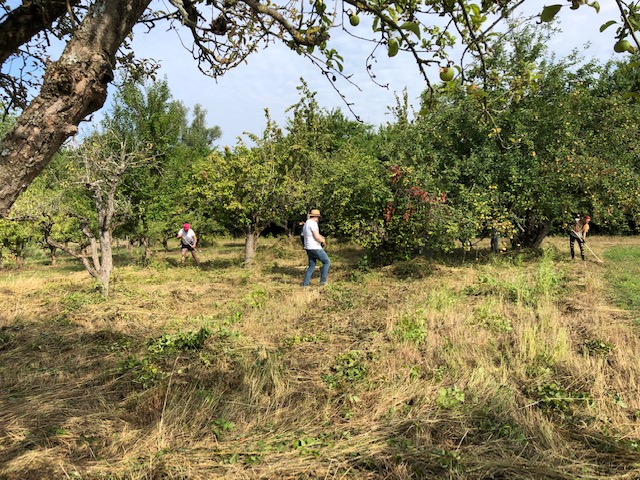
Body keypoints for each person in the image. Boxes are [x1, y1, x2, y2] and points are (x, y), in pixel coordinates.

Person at [301, 209, 330, 286]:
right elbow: (316, 236)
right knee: (327, 262)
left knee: (311, 266)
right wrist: (323, 241)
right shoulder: (313, 224)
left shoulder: (306, 224)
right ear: (316, 216)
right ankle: (323, 282)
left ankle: (305, 284)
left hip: (308, 247)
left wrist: (321, 237)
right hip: (315, 247)